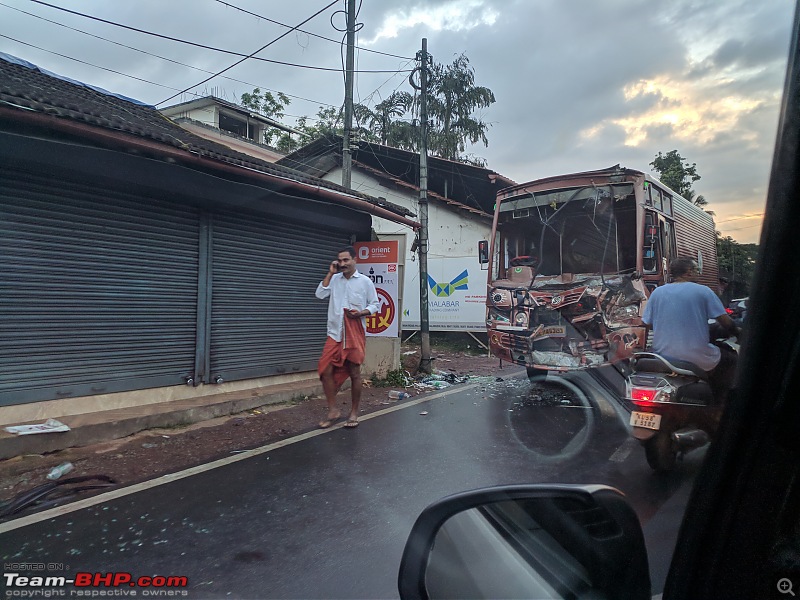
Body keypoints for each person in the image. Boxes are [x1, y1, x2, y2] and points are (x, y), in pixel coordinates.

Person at [642, 257, 738, 404]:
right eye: (696, 270)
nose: (698, 274)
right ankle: (719, 406)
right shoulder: (703, 291)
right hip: (696, 357)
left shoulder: (657, 293)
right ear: (688, 272)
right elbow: (726, 323)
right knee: (732, 361)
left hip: (662, 356)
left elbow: (645, 325)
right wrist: (740, 334)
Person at [315, 246, 379, 429]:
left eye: (346, 260)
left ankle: (354, 412)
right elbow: (319, 294)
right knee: (324, 370)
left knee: (354, 373)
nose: (342, 264)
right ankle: (333, 410)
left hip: (355, 331)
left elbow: (375, 304)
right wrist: (329, 273)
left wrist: (361, 313)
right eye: (339, 261)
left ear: (354, 260)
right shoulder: (335, 279)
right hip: (335, 333)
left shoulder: (365, 282)